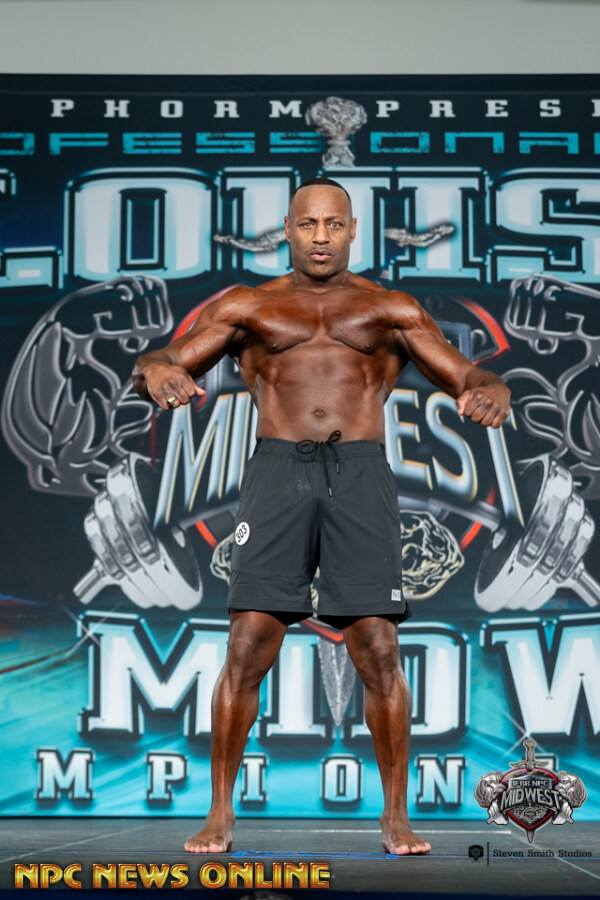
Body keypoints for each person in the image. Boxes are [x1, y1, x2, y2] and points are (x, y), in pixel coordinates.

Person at [132, 177, 510, 856]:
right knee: (248, 643)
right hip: (277, 472)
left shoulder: (388, 308)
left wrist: (492, 389)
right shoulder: (249, 306)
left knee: (379, 647)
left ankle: (395, 816)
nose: (321, 238)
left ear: (352, 229)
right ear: (288, 229)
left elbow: (467, 375)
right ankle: (219, 813)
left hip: (359, 475)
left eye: (333, 224)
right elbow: (156, 362)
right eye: (308, 225)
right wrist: (156, 373)